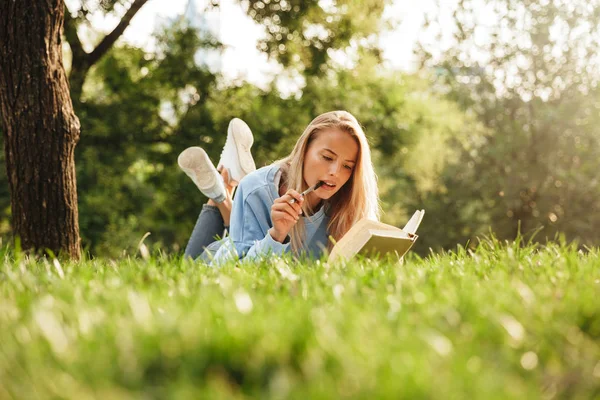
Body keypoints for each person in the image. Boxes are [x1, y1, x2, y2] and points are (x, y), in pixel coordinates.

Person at [178, 111, 380, 265]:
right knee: (188, 269)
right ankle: (219, 193)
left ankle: (224, 187)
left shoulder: (350, 200)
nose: (335, 172)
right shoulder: (257, 189)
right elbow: (236, 268)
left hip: (246, 237)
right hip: (217, 262)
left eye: (347, 166)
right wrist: (277, 234)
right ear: (304, 150)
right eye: (327, 157)